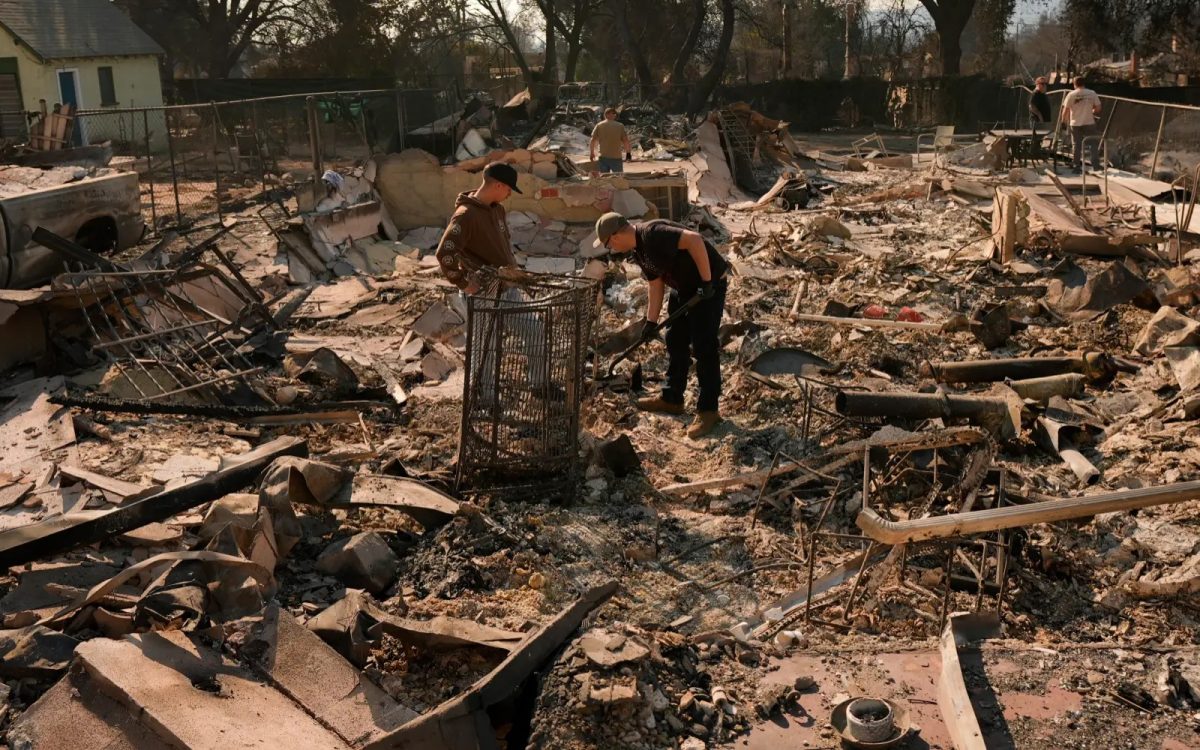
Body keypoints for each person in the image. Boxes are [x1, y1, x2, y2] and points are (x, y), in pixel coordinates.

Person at [594, 212, 729, 439]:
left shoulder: (653, 234)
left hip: (709, 286)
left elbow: (694, 239)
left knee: (704, 344)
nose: (612, 249)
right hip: (684, 287)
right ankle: (672, 397)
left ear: (615, 237)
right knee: (675, 338)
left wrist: (706, 282)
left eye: (608, 244)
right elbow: (655, 284)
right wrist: (650, 322)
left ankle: (709, 410)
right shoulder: (639, 251)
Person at [436, 163, 548, 398]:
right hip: (484, 290)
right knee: (486, 345)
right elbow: (444, 253)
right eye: (509, 189)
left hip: (507, 286)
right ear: (498, 185)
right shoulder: (466, 215)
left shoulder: (497, 210)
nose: (509, 194)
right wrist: (464, 283)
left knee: (534, 328)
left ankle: (538, 385)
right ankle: (483, 397)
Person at [1060, 76, 1102, 174]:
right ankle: (1096, 166)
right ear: (1084, 83)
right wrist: (1092, 111)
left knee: (1076, 145)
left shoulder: (1071, 95)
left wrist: (1063, 122)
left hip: (1075, 123)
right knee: (1093, 144)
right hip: (1089, 122)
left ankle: (1076, 167)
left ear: (1074, 84)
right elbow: (1099, 108)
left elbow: (1065, 110)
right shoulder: (1092, 93)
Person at [590, 108, 631, 174]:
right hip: (616, 157)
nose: (614, 115)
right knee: (618, 178)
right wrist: (628, 153)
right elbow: (625, 141)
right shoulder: (620, 126)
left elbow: (592, 140)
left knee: (604, 178)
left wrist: (592, 153)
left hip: (603, 157)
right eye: (613, 114)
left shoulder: (599, 125)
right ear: (608, 115)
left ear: (605, 115)